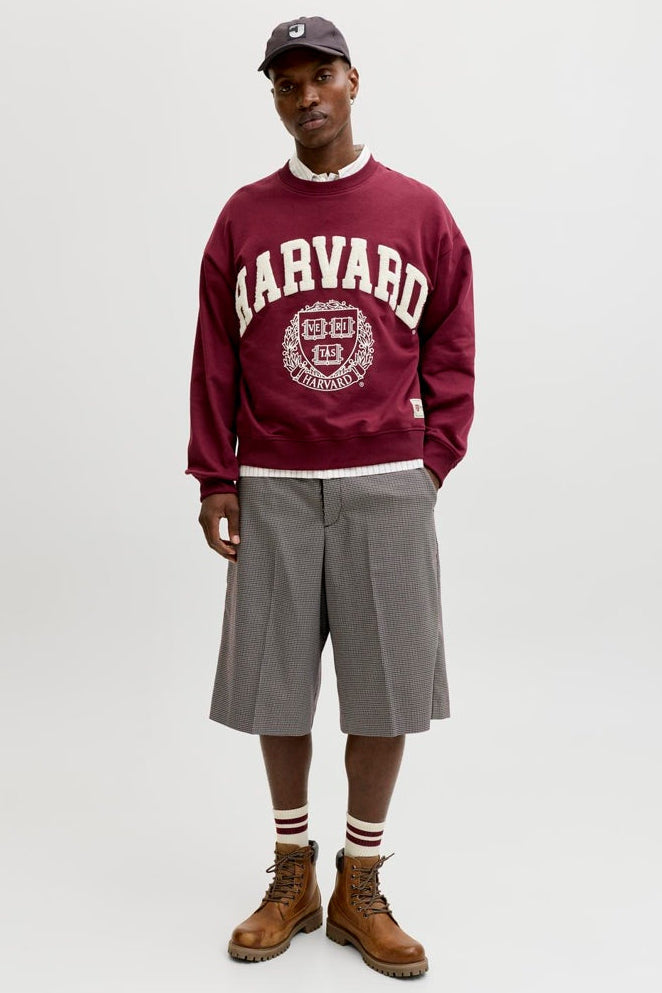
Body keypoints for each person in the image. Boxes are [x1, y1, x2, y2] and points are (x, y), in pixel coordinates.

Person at [185, 15, 475, 979]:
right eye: (286, 83)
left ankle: (361, 879)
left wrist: (434, 458)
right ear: (273, 96)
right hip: (270, 480)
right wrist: (215, 473)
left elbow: (453, 337)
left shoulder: (419, 211)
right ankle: (292, 870)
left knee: (385, 684)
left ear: (354, 81)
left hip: (385, 482)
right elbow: (215, 356)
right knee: (276, 682)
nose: (305, 96)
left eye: (321, 77)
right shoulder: (243, 218)